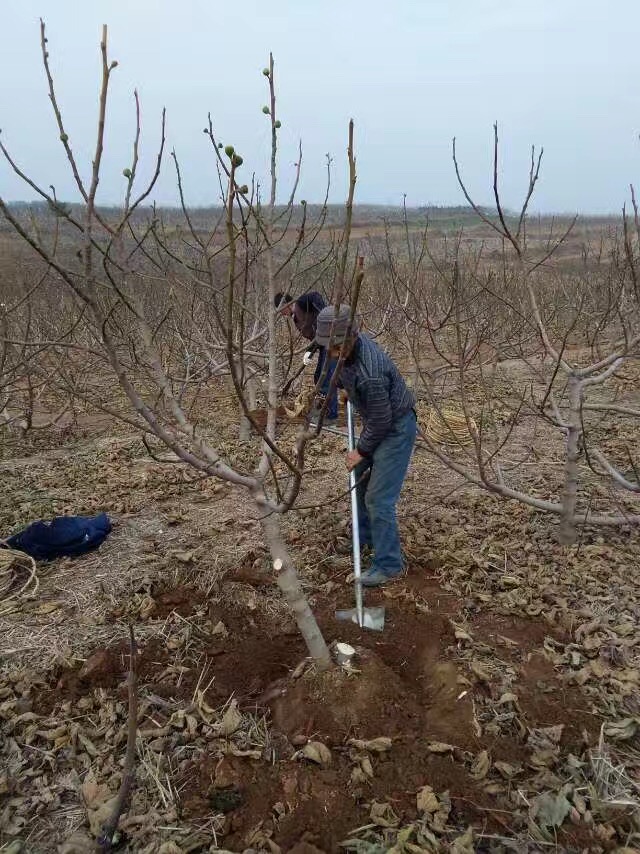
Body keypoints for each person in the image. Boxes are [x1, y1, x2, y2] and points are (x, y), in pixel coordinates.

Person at [314, 304, 417, 586]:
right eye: (328, 346)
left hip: (394, 428)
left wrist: (361, 451)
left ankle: (389, 564)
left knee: (378, 498)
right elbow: (349, 376)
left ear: (350, 338)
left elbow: (383, 420)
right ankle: (365, 539)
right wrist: (349, 391)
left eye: (335, 347)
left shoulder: (370, 371)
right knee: (359, 480)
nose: (331, 353)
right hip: (379, 422)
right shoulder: (346, 352)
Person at [274, 291, 338, 420]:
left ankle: (330, 416)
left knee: (326, 379)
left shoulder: (301, 303)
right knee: (318, 377)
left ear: (286, 304)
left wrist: (325, 319)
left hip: (333, 341)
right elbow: (315, 340)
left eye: (281, 310)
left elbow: (316, 295)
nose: (281, 314)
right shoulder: (296, 319)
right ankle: (324, 409)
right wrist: (307, 355)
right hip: (323, 345)